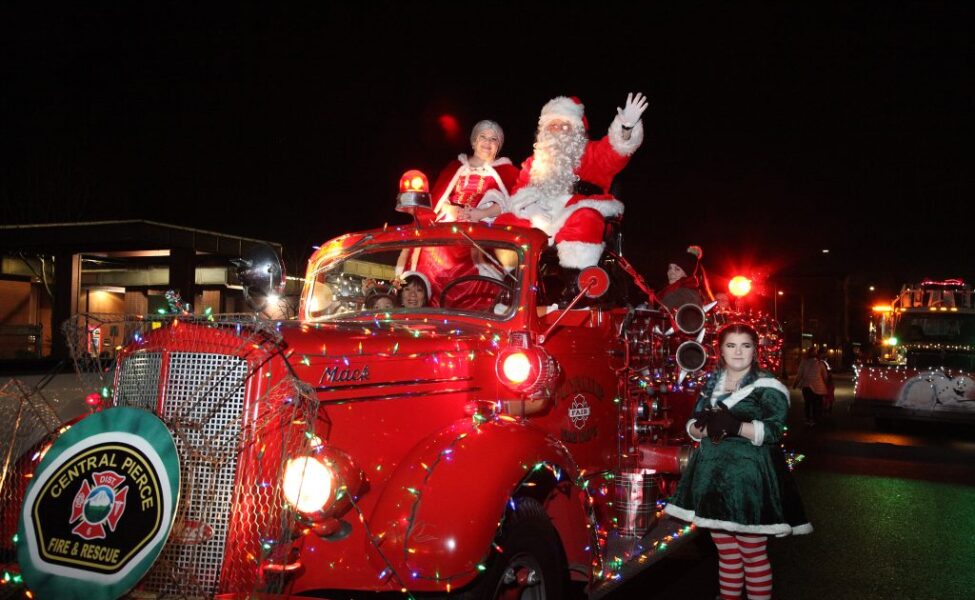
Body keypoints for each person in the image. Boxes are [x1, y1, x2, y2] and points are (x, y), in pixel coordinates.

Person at [665, 322, 812, 600]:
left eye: (745, 346)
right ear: (720, 350)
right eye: (731, 346)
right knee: (727, 553)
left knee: (752, 554)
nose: (738, 352)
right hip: (712, 478)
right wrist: (704, 427)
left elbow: (774, 431)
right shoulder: (711, 384)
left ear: (755, 350)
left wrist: (736, 427)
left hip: (749, 480)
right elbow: (693, 425)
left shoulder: (768, 386)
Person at [495, 92, 648, 271]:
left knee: (586, 219)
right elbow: (518, 193)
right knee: (505, 223)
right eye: (553, 125)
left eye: (565, 125)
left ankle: (577, 277)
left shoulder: (593, 153)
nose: (559, 130)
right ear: (545, 131)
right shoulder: (533, 163)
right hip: (540, 218)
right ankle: (514, 278)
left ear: (576, 130)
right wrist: (528, 207)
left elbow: (616, 151)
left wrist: (626, 128)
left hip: (578, 213)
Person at [430, 120, 519, 223]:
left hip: (486, 224)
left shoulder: (507, 171)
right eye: (483, 137)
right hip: (450, 221)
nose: (488, 142)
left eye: (493, 139)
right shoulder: (454, 167)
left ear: (498, 145)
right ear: (474, 141)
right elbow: (438, 198)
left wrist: (482, 213)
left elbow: (512, 202)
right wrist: (451, 209)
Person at [658, 245, 705, 309]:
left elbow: (659, 312)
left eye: (677, 269)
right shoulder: (671, 290)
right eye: (670, 268)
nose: (671, 272)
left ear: (686, 274)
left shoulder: (684, 294)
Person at [793, 346, 829, 426]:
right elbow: (825, 376)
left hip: (806, 386)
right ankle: (816, 419)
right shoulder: (820, 363)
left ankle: (808, 418)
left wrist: (795, 384)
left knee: (807, 403)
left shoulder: (804, 362)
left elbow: (799, 375)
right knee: (816, 404)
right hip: (818, 387)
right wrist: (825, 384)